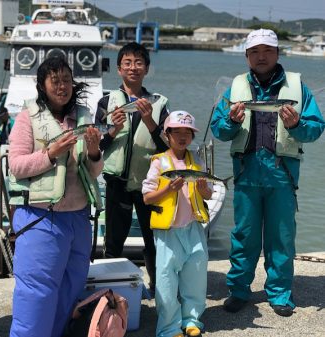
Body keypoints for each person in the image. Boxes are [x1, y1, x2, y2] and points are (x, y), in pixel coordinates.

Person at [210, 29, 325, 317]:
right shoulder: (234, 88)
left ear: (277, 54)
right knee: (244, 235)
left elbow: (315, 129)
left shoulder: (298, 87)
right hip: (247, 174)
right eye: (255, 52)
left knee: (282, 237)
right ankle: (238, 290)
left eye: (268, 51)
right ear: (247, 56)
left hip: (282, 176)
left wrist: (297, 123)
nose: (261, 56)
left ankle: (280, 293)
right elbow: (219, 129)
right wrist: (232, 122)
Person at [8, 56, 103, 337]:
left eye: (66, 80)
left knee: (71, 287)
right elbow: (17, 166)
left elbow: (94, 171)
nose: (62, 86)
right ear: (42, 85)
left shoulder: (84, 117)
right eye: (55, 80)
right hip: (40, 218)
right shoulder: (28, 117)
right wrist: (51, 154)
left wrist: (96, 152)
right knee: (36, 295)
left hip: (78, 218)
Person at [95, 42, 170, 291]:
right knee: (114, 239)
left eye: (139, 63)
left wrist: (150, 120)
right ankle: (111, 291)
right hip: (117, 183)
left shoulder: (158, 104)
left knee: (153, 238)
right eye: (127, 63)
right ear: (118, 69)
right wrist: (113, 130)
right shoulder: (107, 103)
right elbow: (97, 147)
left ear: (147, 68)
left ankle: (158, 287)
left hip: (150, 183)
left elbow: (167, 148)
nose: (133, 68)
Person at [142, 110, 211, 337]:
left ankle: (192, 321)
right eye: (176, 132)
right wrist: (167, 189)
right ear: (166, 135)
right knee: (166, 281)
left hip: (193, 229)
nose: (182, 137)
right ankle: (169, 328)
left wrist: (204, 191)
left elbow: (208, 194)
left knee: (196, 276)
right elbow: (147, 197)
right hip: (167, 233)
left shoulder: (197, 161)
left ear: (192, 136)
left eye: (187, 133)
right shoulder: (159, 163)